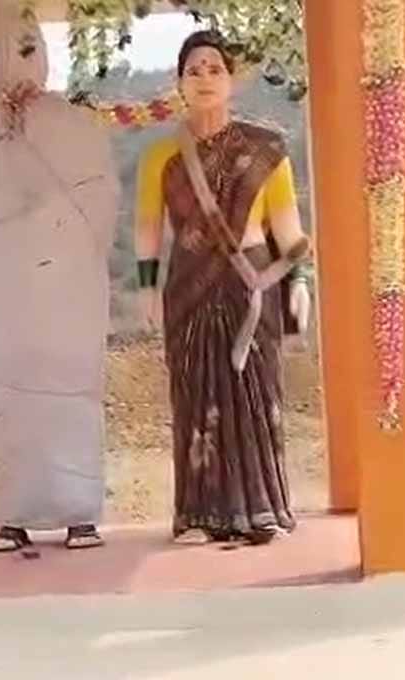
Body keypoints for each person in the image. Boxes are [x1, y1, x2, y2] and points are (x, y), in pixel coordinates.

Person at [0, 0, 119, 552]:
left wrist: (57, 228)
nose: (21, 53)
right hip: (0, 297)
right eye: (8, 43)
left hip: (63, 292)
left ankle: (80, 516)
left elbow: (101, 197)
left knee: (70, 394)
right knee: (4, 397)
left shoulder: (69, 120)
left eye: (29, 42)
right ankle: (12, 517)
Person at [133, 31, 312, 545]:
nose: (205, 79)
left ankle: (263, 508)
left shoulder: (267, 151)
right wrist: (147, 288)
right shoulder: (160, 157)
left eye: (215, 69)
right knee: (195, 397)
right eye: (194, 70)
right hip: (188, 286)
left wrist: (300, 281)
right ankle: (199, 515)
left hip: (251, 285)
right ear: (179, 84)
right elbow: (148, 230)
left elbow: (289, 231)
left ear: (232, 80)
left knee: (256, 394)